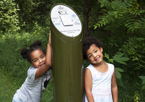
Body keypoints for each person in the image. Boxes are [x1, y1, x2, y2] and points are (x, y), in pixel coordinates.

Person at [12, 32, 52, 102]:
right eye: (35, 60)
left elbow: (50, 62)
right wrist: (49, 44)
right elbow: (48, 64)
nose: (40, 61)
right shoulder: (33, 72)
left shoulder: (43, 68)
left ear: (46, 55)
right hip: (21, 99)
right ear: (31, 64)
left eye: (42, 57)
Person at [83, 37, 118, 102]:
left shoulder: (111, 68)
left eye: (95, 51)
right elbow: (88, 91)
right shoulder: (89, 70)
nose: (94, 56)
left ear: (101, 49)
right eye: (90, 56)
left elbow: (114, 87)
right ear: (88, 59)